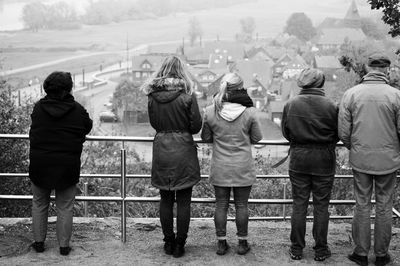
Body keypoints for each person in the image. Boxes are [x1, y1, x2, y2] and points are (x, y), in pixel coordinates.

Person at [339, 53, 400, 266]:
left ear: (368, 68)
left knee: (362, 204)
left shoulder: (351, 94)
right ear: (387, 70)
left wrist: (354, 147)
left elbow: (344, 132)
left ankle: (361, 253)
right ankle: (381, 255)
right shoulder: (396, 96)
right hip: (388, 160)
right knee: (385, 205)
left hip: (361, 158)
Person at [142, 55, 202, 258]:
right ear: (182, 71)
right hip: (183, 150)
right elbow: (196, 126)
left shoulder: (152, 96)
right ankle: (180, 244)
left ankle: (168, 241)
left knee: (165, 199)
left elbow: (154, 124)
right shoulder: (187, 95)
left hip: (161, 149)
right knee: (184, 200)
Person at [29, 71, 92, 256]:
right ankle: (64, 247)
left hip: (40, 164)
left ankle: (39, 244)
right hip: (67, 166)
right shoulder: (78, 110)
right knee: (65, 207)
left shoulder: (38, 108)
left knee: (39, 203)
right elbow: (87, 126)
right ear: (68, 89)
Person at [201, 72, 262, 256]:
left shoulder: (211, 111)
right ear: (240, 88)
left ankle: (221, 244)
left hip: (220, 166)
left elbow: (205, 137)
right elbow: (257, 138)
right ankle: (242, 243)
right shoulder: (250, 112)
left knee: (221, 205)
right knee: (242, 205)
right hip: (243, 166)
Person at [281, 68, 338, 261]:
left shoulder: (291, 104)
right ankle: (321, 249)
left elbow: (286, 132)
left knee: (299, 205)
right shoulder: (332, 105)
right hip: (324, 159)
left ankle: (296, 248)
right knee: (322, 206)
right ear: (321, 83)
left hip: (299, 158)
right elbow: (339, 133)